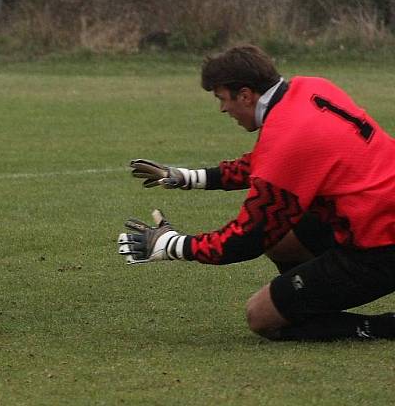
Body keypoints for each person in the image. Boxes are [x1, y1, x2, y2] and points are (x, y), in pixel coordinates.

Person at [118, 44, 395, 341]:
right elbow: (268, 159)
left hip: (380, 244)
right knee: (282, 242)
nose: (223, 109)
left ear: (246, 95)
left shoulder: (289, 139)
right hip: (375, 214)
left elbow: (247, 238)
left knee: (262, 316)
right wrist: (186, 177)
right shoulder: (310, 88)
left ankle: (382, 326)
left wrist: (173, 246)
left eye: (222, 99)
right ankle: (306, 299)